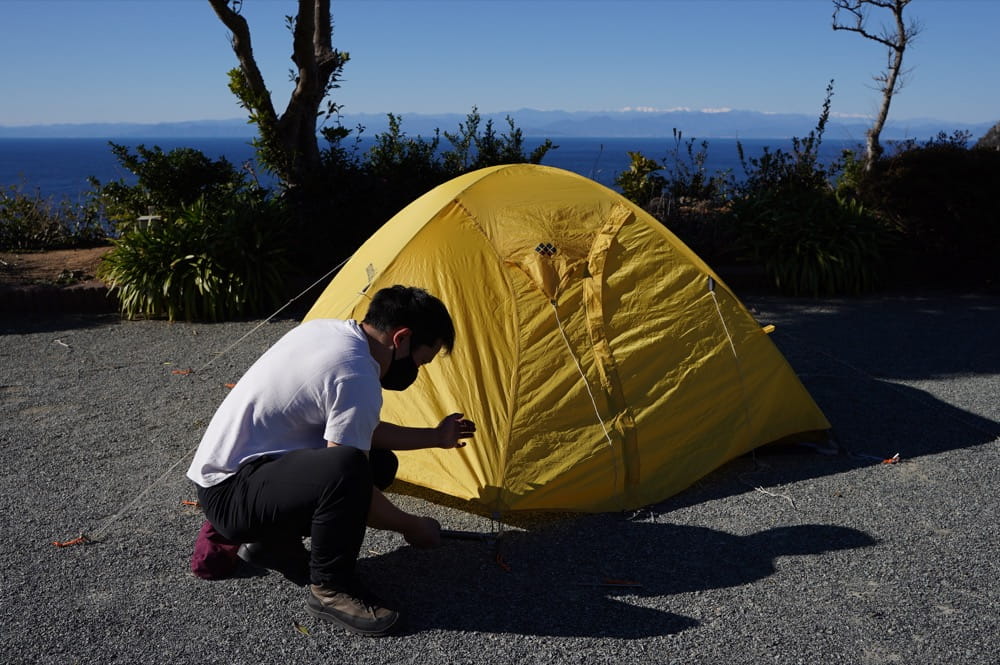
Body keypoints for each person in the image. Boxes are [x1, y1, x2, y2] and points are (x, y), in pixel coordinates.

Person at [186, 285, 475, 636]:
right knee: (350, 467)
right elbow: (346, 475)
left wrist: (434, 437)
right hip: (231, 494)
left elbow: (359, 429)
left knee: (378, 464)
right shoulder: (356, 373)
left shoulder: (329, 332)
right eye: (420, 361)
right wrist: (411, 526)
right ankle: (332, 588)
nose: (416, 371)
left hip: (232, 480)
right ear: (401, 338)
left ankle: (271, 545)